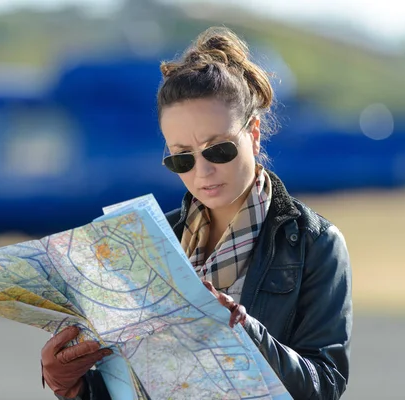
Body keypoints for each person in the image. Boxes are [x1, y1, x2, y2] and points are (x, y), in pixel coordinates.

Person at [40, 26, 352, 400]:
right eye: (182, 157)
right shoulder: (149, 240)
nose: (202, 171)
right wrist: (72, 385)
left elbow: (325, 385)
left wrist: (242, 328)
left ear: (253, 134)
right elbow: (130, 383)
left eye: (218, 150)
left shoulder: (314, 243)